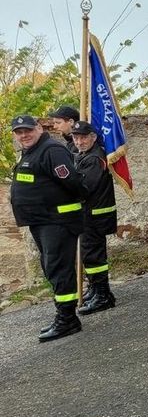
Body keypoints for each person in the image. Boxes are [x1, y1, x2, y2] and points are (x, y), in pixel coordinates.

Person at [9, 114, 88, 341]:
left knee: (58, 268)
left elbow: (72, 182)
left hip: (58, 221)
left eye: (28, 130)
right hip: (42, 221)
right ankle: (65, 316)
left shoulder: (51, 150)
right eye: (19, 132)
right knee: (51, 267)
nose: (24, 135)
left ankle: (67, 320)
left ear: (38, 128)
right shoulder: (32, 151)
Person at [70, 120, 118, 314]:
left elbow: (85, 187)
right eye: (76, 138)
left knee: (94, 255)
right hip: (89, 214)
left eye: (83, 138)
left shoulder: (95, 158)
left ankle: (103, 295)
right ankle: (96, 289)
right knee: (89, 254)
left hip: (95, 214)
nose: (79, 142)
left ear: (93, 137)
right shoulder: (84, 155)